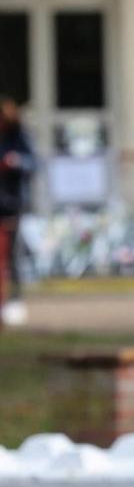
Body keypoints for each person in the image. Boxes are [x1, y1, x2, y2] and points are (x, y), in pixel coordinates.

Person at [0, 96, 35, 322]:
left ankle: (15, 299)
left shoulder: (19, 136)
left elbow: (34, 163)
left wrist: (16, 162)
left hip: (11, 204)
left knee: (12, 253)